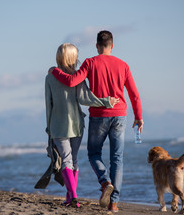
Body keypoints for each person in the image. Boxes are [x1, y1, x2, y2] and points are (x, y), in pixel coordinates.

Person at [49, 31, 144, 212]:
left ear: (96, 45)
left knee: (94, 154)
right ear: (112, 46)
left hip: (99, 116)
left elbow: (71, 81)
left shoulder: (90, 63)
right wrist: (138, 117)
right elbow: (134, 94)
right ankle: (113, 203)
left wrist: (55, 71)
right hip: (120, 116)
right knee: (117, 159)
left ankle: (104, 181)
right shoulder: (123, 65)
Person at [45, 43, 119, 208]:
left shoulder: (50, 77)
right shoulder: (77, 77)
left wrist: (48, 128)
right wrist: (106, 101)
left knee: (66, 159)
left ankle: (72, 197)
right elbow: (86, 98)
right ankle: (71, 196)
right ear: (72, 57)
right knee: (74, 160)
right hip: (77, 123)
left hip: (58, 125)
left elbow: (48, 105)